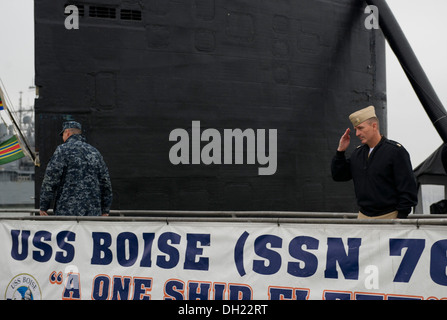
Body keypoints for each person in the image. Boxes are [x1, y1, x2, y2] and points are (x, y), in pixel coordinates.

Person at [331, 106, 418, 219]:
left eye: (361, 128)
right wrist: (340, 151)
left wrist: (400, 217)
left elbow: (408, 188)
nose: (357, 133)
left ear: (374, 126)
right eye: (356, 129)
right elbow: (339, 175)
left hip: (390, 216)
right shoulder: (357, 154)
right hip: (363, 216)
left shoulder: (395, 152)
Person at [39, 121, 113, 216]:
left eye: (63, 134)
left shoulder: (62, 150)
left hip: (67, 212)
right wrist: (105, 210)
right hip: (93, 212)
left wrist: (44, 206)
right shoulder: (95, 152)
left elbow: (50, 181)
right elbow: (105, 183)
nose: (63, 138)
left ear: (68, 133)